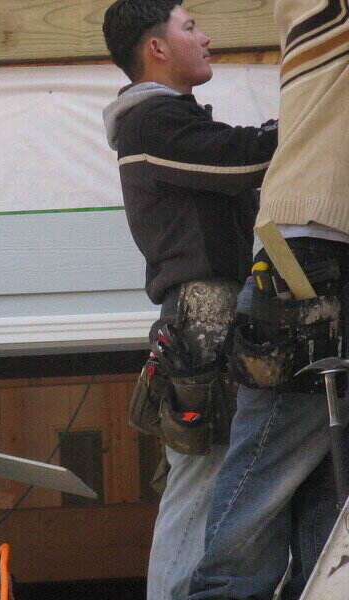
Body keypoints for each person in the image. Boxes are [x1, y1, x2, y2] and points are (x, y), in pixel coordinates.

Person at [101, 2, 278, 598]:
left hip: (213, 314)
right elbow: (245, 156)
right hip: (205, 318)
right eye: (190, 27)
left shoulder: (170, 119)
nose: (206, 38)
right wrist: (316, 121)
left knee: (214, 476)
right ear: (156, 47)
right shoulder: (150, 121)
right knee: (202, 479)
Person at [189, 0, 349, 597]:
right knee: (270, 455)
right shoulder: (322, 16)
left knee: (325, 469)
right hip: (308, 248)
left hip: (321, 244)